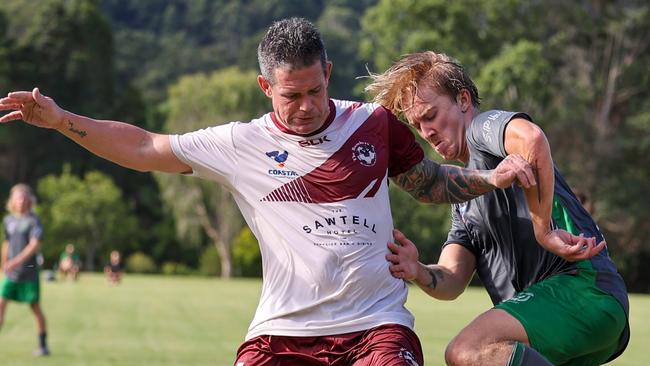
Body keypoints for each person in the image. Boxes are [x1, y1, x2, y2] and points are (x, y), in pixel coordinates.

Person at [0, 18, 542, 365]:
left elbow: (428, 183)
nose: (306, 105)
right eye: (291, 95)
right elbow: (144, 147)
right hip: (281, 334)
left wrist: (489, 177)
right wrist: (62, 120)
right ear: (265, 87)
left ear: (328, 73)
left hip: (377, 330)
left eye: (316, 90)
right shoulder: (240, 143)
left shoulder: (374, 124)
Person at [366, 51, 629, 366]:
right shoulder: (464, 199)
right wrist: (418, 270)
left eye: (431, 115)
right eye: (417, 125)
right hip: (562, 315)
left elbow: (531, 139)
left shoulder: (481, 129)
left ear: (463, 99)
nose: (426, 133)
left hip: (583, 288)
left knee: (466, 350)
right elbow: (452, 279)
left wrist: (543, 229)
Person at [0, 184, 50, 356]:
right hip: (10, 274)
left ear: (29, 200)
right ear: (12, 201)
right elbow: (6, 243)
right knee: (0, 304)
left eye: (24, 197)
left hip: (28, 272)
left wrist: (16, 261)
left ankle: (43, 345)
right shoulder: (8, 221)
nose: (21, 200)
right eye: (17, 197)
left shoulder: (33, 221)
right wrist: (4, 264)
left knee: (35, 308)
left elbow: (34, 245)